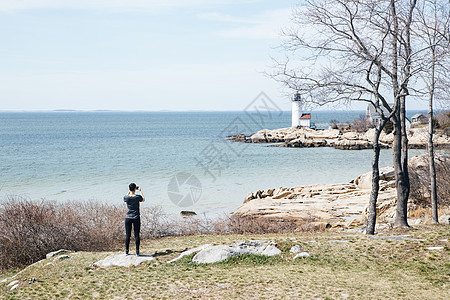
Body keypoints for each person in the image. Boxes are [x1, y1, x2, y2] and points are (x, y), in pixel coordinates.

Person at [123, 183, 145, 255]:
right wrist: (140, 191)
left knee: (128, 235)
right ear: (135, 189)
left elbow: (127, 196)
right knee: (136, 235)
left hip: (128, 218)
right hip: (136, 217)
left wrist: (130, 191)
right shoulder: (137, 197)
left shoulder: (126, 197)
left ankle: (127, 251)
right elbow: (143, 199)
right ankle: (137, 252)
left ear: (129, 189)